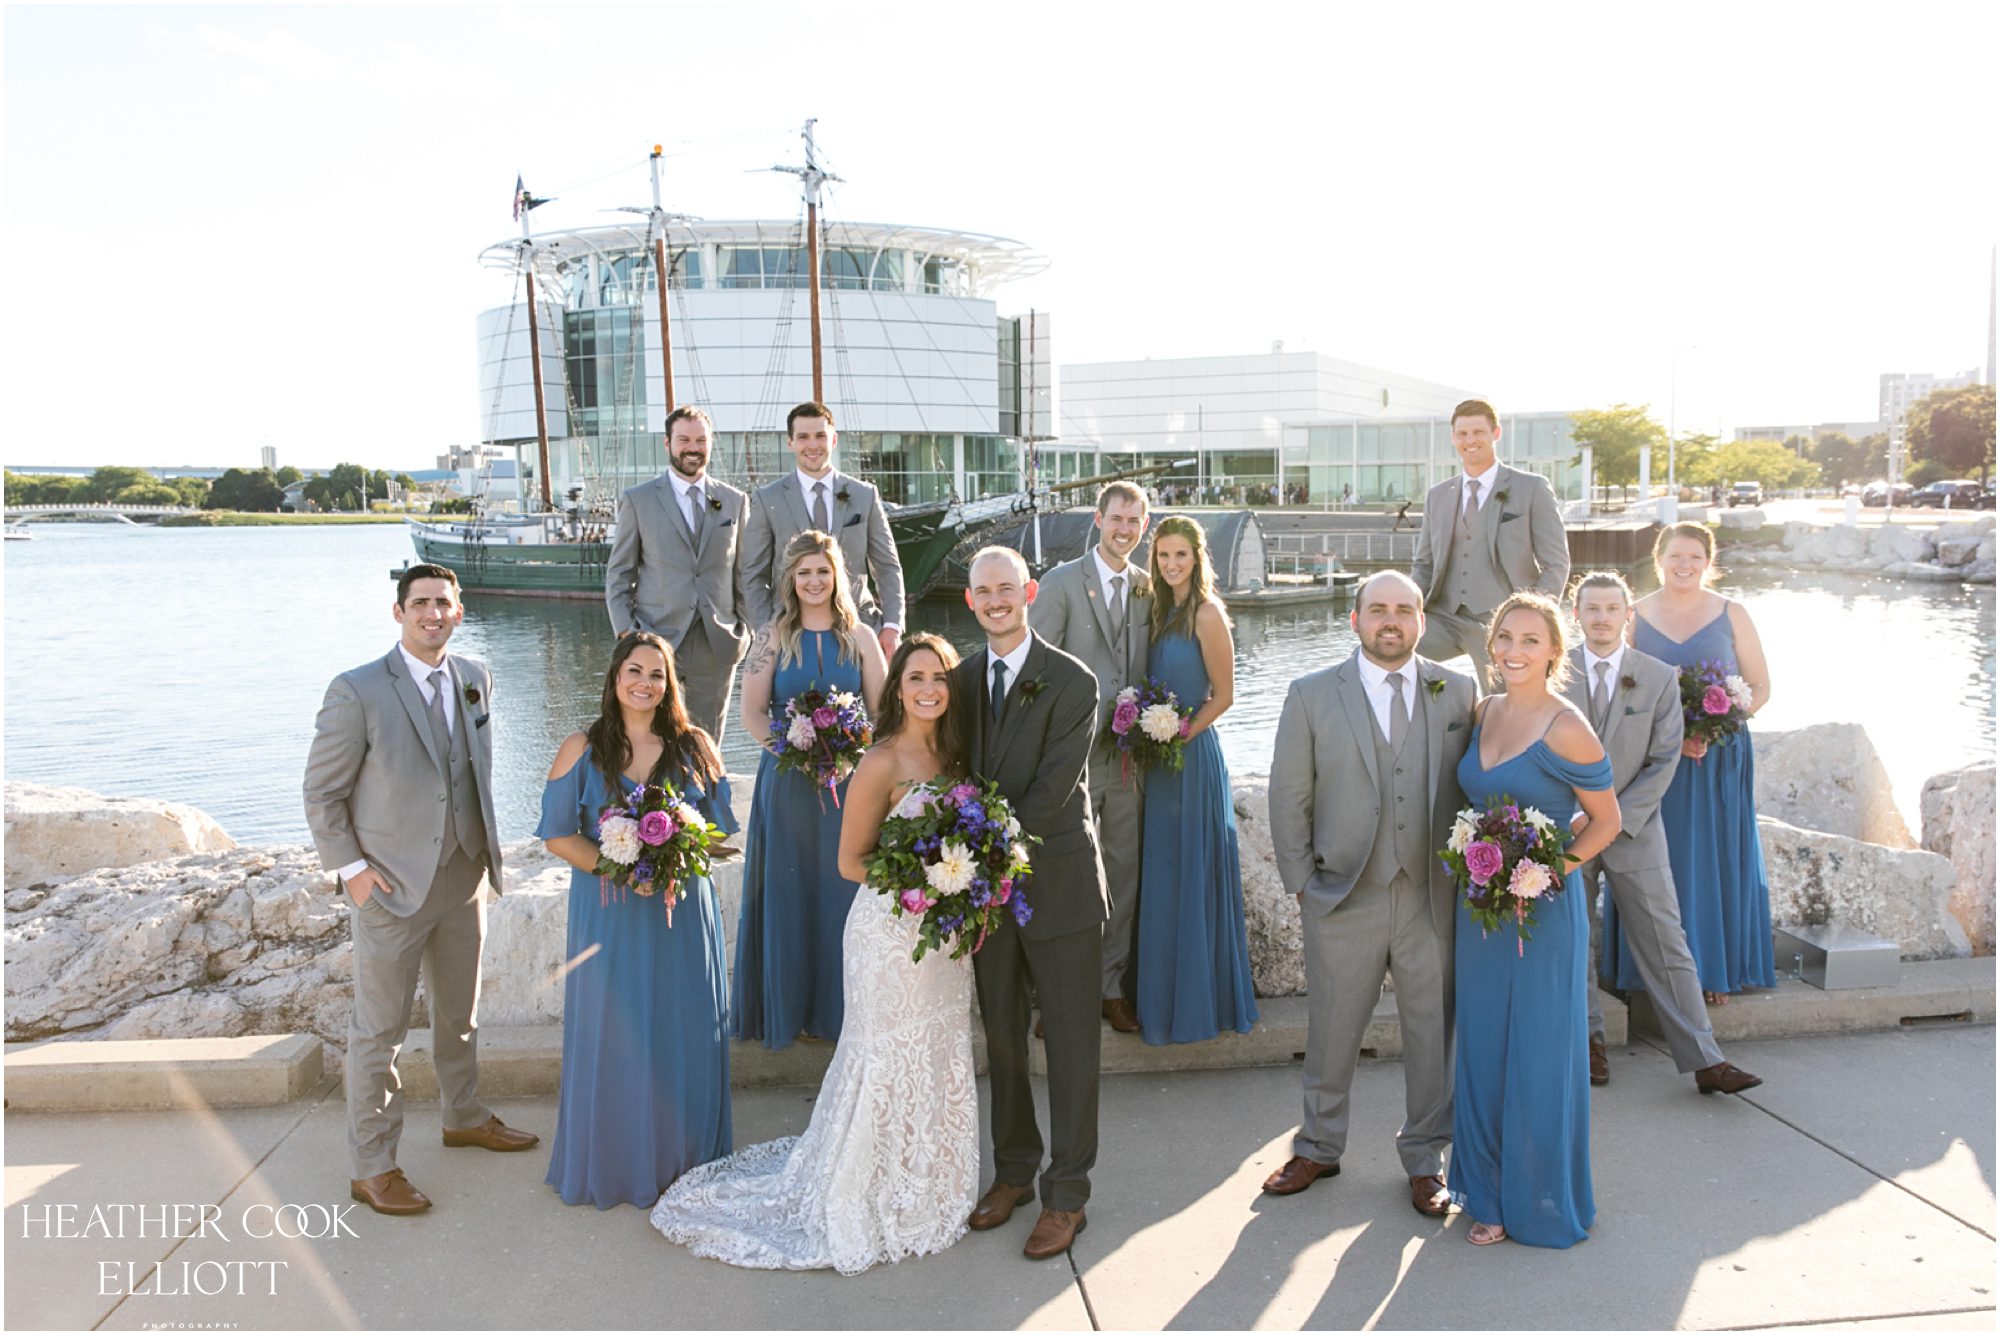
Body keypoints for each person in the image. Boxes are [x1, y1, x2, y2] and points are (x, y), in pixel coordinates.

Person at [651, 634, 978, 1273]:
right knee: (886, 1054)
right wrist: (926, 880)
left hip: (945, 937)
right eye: (915, 678)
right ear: (898, 688)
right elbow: (850, 862)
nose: (928, 690)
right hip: (889, 935)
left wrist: (963, 885)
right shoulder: (881, 762)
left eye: (939, 678)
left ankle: (931, 1178)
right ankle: (868, 1186)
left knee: (938, 1048)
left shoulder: (961, 756)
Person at [303, 563, 534, 1218]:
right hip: (391, 887)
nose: (433, 613)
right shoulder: (357, 690)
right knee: (378, 1031)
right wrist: (353, 872)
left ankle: (463, 1113)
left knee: (459, 1016)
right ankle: (372, 1164)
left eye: (444, 603)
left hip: (464, 877)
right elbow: (321, 793)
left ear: (459, 611)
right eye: (421, 603)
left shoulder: (474, 677)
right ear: (399, 612)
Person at [1264, 571, 1476, 1216]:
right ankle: (1318, 1147)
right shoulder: (1310, 693)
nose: (1392, 621)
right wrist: (1302, 884)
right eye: (1378, 609)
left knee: (1431, 1031)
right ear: (1354, 619)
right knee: (1331, 1028)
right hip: (1344, 893)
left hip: (1430, 896)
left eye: (1404, 610)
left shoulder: (1460, 691)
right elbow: (1288, 795)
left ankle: (1425, 1159)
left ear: (1420, 620)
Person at [536, 633, 737, 1209]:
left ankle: (686, 1162)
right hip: (610, 914)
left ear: (670, 683)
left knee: (684, 1027)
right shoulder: (580, 746)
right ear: (615, 675)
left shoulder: (695, 746)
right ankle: (617, 1162)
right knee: (613, 1033)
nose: (645, 683)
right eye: (634, 670)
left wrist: (677, 845)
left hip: (681, 912)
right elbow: (556, 835)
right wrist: (621, 866)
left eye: (657, 673)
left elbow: (721, 835)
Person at [1453, 592, 1620, 1247]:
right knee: (1484, 1047)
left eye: (1530, 640)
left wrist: (1548, 870)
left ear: (1555, 649)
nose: (1514, 651)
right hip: (1481, 912)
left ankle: (1539, 1196)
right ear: (1491, 645)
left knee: (1539, 1054)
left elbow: (1607, 820)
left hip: (1544, 914)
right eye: (1504, 637)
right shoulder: (1483, 710)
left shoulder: (1567, 725)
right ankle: (1486, 1195)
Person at [957, 547, 1108, 1260]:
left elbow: (1050, 793)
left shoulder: (1074, 681)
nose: (996, 600)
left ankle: (1068, 1192)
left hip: (1059, 886)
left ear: (1030, 592)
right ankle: (1014, 1169)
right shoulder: (958, 680)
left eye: (1006, 589)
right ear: (969, 600)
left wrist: (972, 847)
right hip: (985, 896)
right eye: (983, 591)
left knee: (1073, 1045)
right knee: (1004, 1037)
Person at [1567, 572, 1763, 1095]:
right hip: (1569, 830)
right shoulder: (1552, 673)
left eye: (1613, 608)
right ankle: (1589, 1041)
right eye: (1592, 608)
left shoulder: (1656, 677)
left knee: (1667, 940)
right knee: (1573, 939)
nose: (1603, 617)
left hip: (1635, 828)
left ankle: (1705, 1059)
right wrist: (1574, 816)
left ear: (1628, 616)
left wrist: (1616, 820)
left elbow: (1662, 762)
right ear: (1577, 614)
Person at [731, 530, 888, 1048]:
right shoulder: (771, 636)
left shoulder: (861, 638)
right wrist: (795, 748)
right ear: (790, 580)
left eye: (823, 571)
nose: (814, 581)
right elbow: (751, 714)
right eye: (804, 573)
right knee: (790, 892)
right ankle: (789, 1010)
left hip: (848, 787)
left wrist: (848, 754)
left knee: (841, 895)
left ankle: (840, 1014)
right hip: (788, 783)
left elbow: (884, 716)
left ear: (837, 576)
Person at [1614, 522, 1777, 1003]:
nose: (1684, 566)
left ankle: (1711, 970)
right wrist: (1672, 736)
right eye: (1675, 557)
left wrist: (1715, 726)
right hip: (1655, 756)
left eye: (1695, 558)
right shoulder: (1635, 616)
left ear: (1709, 562)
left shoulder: (1733, 613)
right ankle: (1648, 970)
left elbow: (1762, 686)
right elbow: (1622, 695)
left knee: (1714, 856)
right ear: (1658, 559)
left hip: (1719, 757)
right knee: (1660, 858)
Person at [1026, 480, 1152, 1032]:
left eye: (1134, 522)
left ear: (1143, 527)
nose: (1124, 529)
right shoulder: (1059, 584)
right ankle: (1052, 996)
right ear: (1098, 519)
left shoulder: (1151, 589)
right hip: (1070, 762)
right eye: (1116, 518)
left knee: (1123, 875)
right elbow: (1035, 673)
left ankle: (1108, 988)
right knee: (1062, 876)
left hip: (1129, 762)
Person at [1135, 516, 1258, 1045]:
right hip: (1155, 763)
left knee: (1193, 874)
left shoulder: (1208, 615)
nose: (1171, 565)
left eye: (1180, 555)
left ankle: (1202, 1005)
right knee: (1160, 876)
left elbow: (1224, 696)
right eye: (1163, 556)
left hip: (1192, 758)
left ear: (1197, 557)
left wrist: (1177, 733)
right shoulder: (1155, 610)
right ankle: (1158, 1003)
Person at [604, 405, 752, 744]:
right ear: (667, 443)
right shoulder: (638, 500)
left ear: (711, 444)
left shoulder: (734, 502)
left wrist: (747, 632)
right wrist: (627, 634)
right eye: (684, 439)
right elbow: (619, 575)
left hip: (717, 643)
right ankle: (653, 798)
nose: (692, 447)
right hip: (653, 640)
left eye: (700, 440)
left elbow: (745, 576)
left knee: (705, 742)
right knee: (649, 739)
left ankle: (704, 796)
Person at [1409, 399, 1571, 680]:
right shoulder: (1438, 495)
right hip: (1443, 618)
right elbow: (1424, 563)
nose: (1470, 440)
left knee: (1501, 705)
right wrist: (1403, 608)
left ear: (1496, 433)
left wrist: (1532, 617)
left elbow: (1556, 564)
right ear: (1453, 438)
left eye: (1478, 432)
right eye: (1462, 434)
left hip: (1501, 623)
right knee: (1383, 649)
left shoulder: (1530, 488)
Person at [740, 402, 905, 660]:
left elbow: (887, 566)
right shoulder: (766, 499)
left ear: (834, 439)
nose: (813, 445)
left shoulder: (864, 496)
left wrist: (892, 627)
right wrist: (765, 630)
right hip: (788, 635)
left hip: (858, 629)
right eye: (803, 437)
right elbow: (753, 573)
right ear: (790, 443)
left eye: (820, 435)